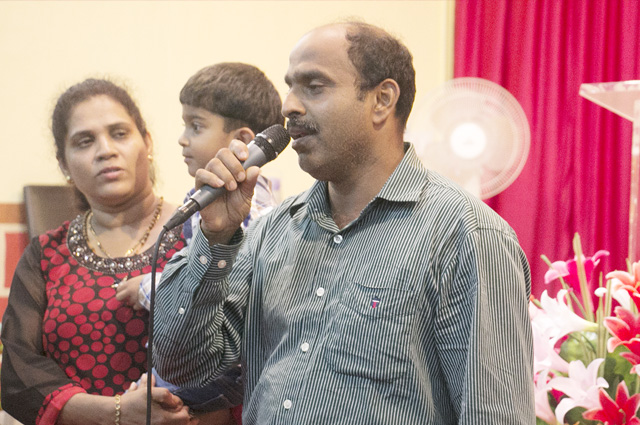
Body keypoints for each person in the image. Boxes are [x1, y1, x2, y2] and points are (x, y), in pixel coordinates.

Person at [153, 21, 535, 424]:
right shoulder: (273, 231)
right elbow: (186, 371)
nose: (289, 107)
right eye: (290, 87)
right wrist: (214, 239)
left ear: (382, 100)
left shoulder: (466, 235)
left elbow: (495, 414)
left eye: (314, 86)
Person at [0, 78, 194, 425]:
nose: (105, 150)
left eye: (119, 133)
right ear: (64, 164)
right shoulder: (45, 255)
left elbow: (237, 353)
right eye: (84, 141)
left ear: (146, 142)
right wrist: (116, 414)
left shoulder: (199, 236)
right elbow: (18, 371)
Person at [116, 62, 283, 425]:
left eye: (196, 125)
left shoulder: (251, 208)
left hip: (223, 369)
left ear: (241, 141)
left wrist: (146, 286)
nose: (182, 138)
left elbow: (228, 283)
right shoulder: (209, 198)